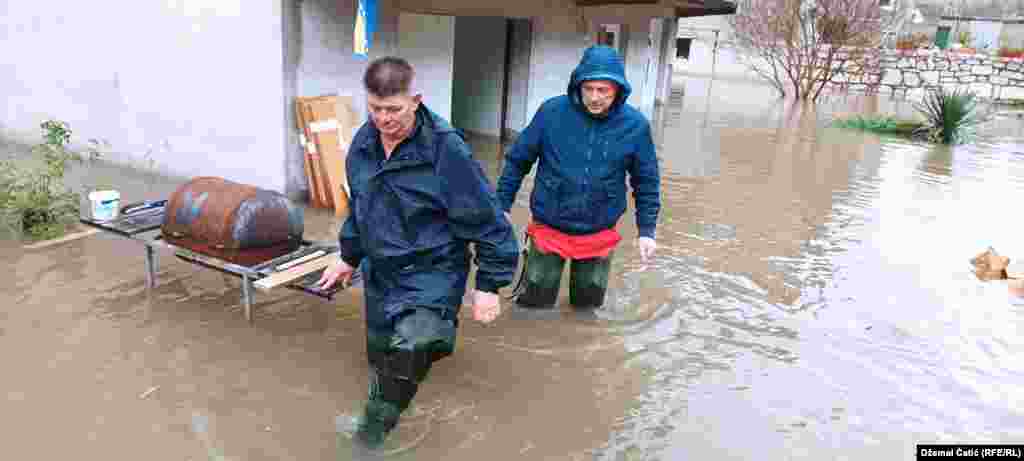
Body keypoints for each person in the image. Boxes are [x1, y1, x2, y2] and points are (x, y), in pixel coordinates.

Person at [316, 56, 519, 449]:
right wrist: (348, 256)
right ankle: (417, 365)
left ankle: (367, 442)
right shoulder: (363, 143)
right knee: (382, 359)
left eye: (393, 109)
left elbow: (487, 218)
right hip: (382, 271)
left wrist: (489, 285)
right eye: (375, 108)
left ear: (416, 100)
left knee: (412, 347)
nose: (383, 119)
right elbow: (362, 207)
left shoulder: (445, 150)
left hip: (432, 270)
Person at [495, 45, 661, 310]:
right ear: (578, 85)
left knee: (587, 308)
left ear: (617, 89)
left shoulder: (635, 125)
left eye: (603, 90)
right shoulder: (551, 112)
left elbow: (647, 182)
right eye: (588, 89)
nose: (594, 98)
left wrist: (647, 231)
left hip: (599, 231)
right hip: (549, 226)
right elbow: (518, 161)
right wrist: (501, 205)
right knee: (533, 307)